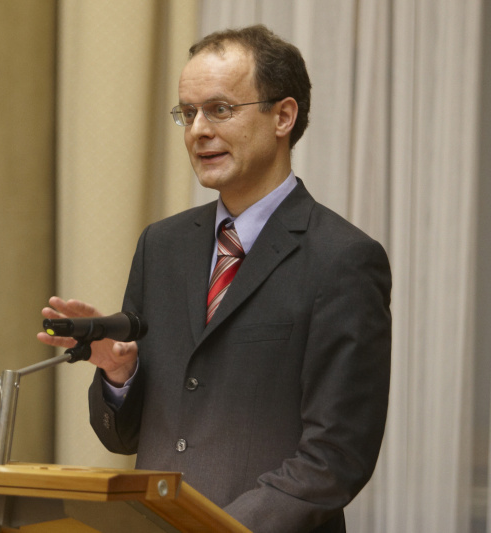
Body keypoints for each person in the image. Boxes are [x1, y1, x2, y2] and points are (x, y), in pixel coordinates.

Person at [38, 24, 391, 533]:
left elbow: (335, 459)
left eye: (220, 109)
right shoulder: (162, 246)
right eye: (188, 112)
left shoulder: (343, 259)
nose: (198, 129)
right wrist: (120, 376)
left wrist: (213, 530)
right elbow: (124, 437)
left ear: (283, 117)